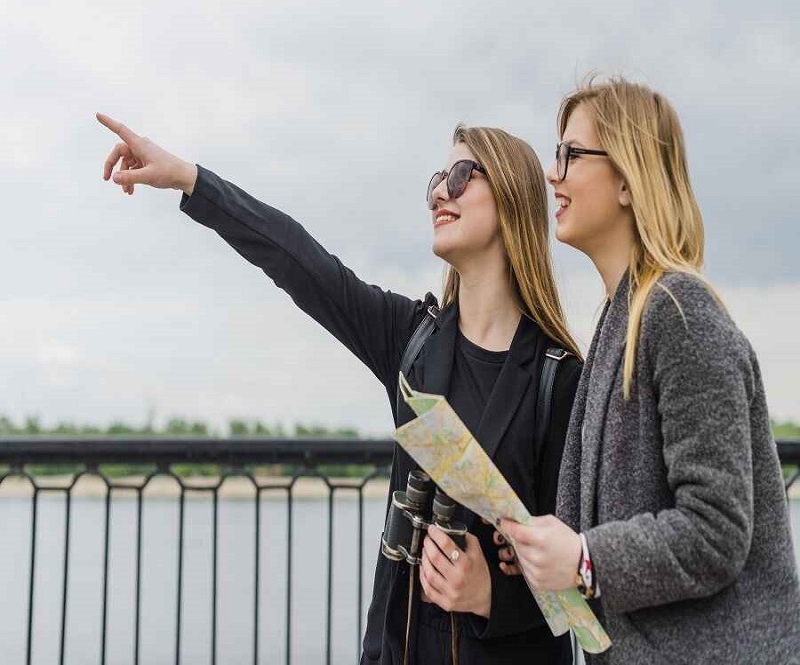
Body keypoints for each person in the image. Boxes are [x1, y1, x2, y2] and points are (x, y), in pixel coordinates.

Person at [96, 114, 583, 664]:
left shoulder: (560, 380)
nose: (437, 195)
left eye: (461, 175)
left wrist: (492, 595)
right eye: (435, 181)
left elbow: (585, 578)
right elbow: (299, 261)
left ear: (513, 197)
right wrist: (190, 179)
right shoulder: (412, 343)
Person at [496, 78, 800, 663]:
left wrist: (584, 556)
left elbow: (716, 530)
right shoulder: (620, 320)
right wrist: (543, 549)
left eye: (570, 154)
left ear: (629, 180)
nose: (552, 174)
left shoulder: (681, 313)